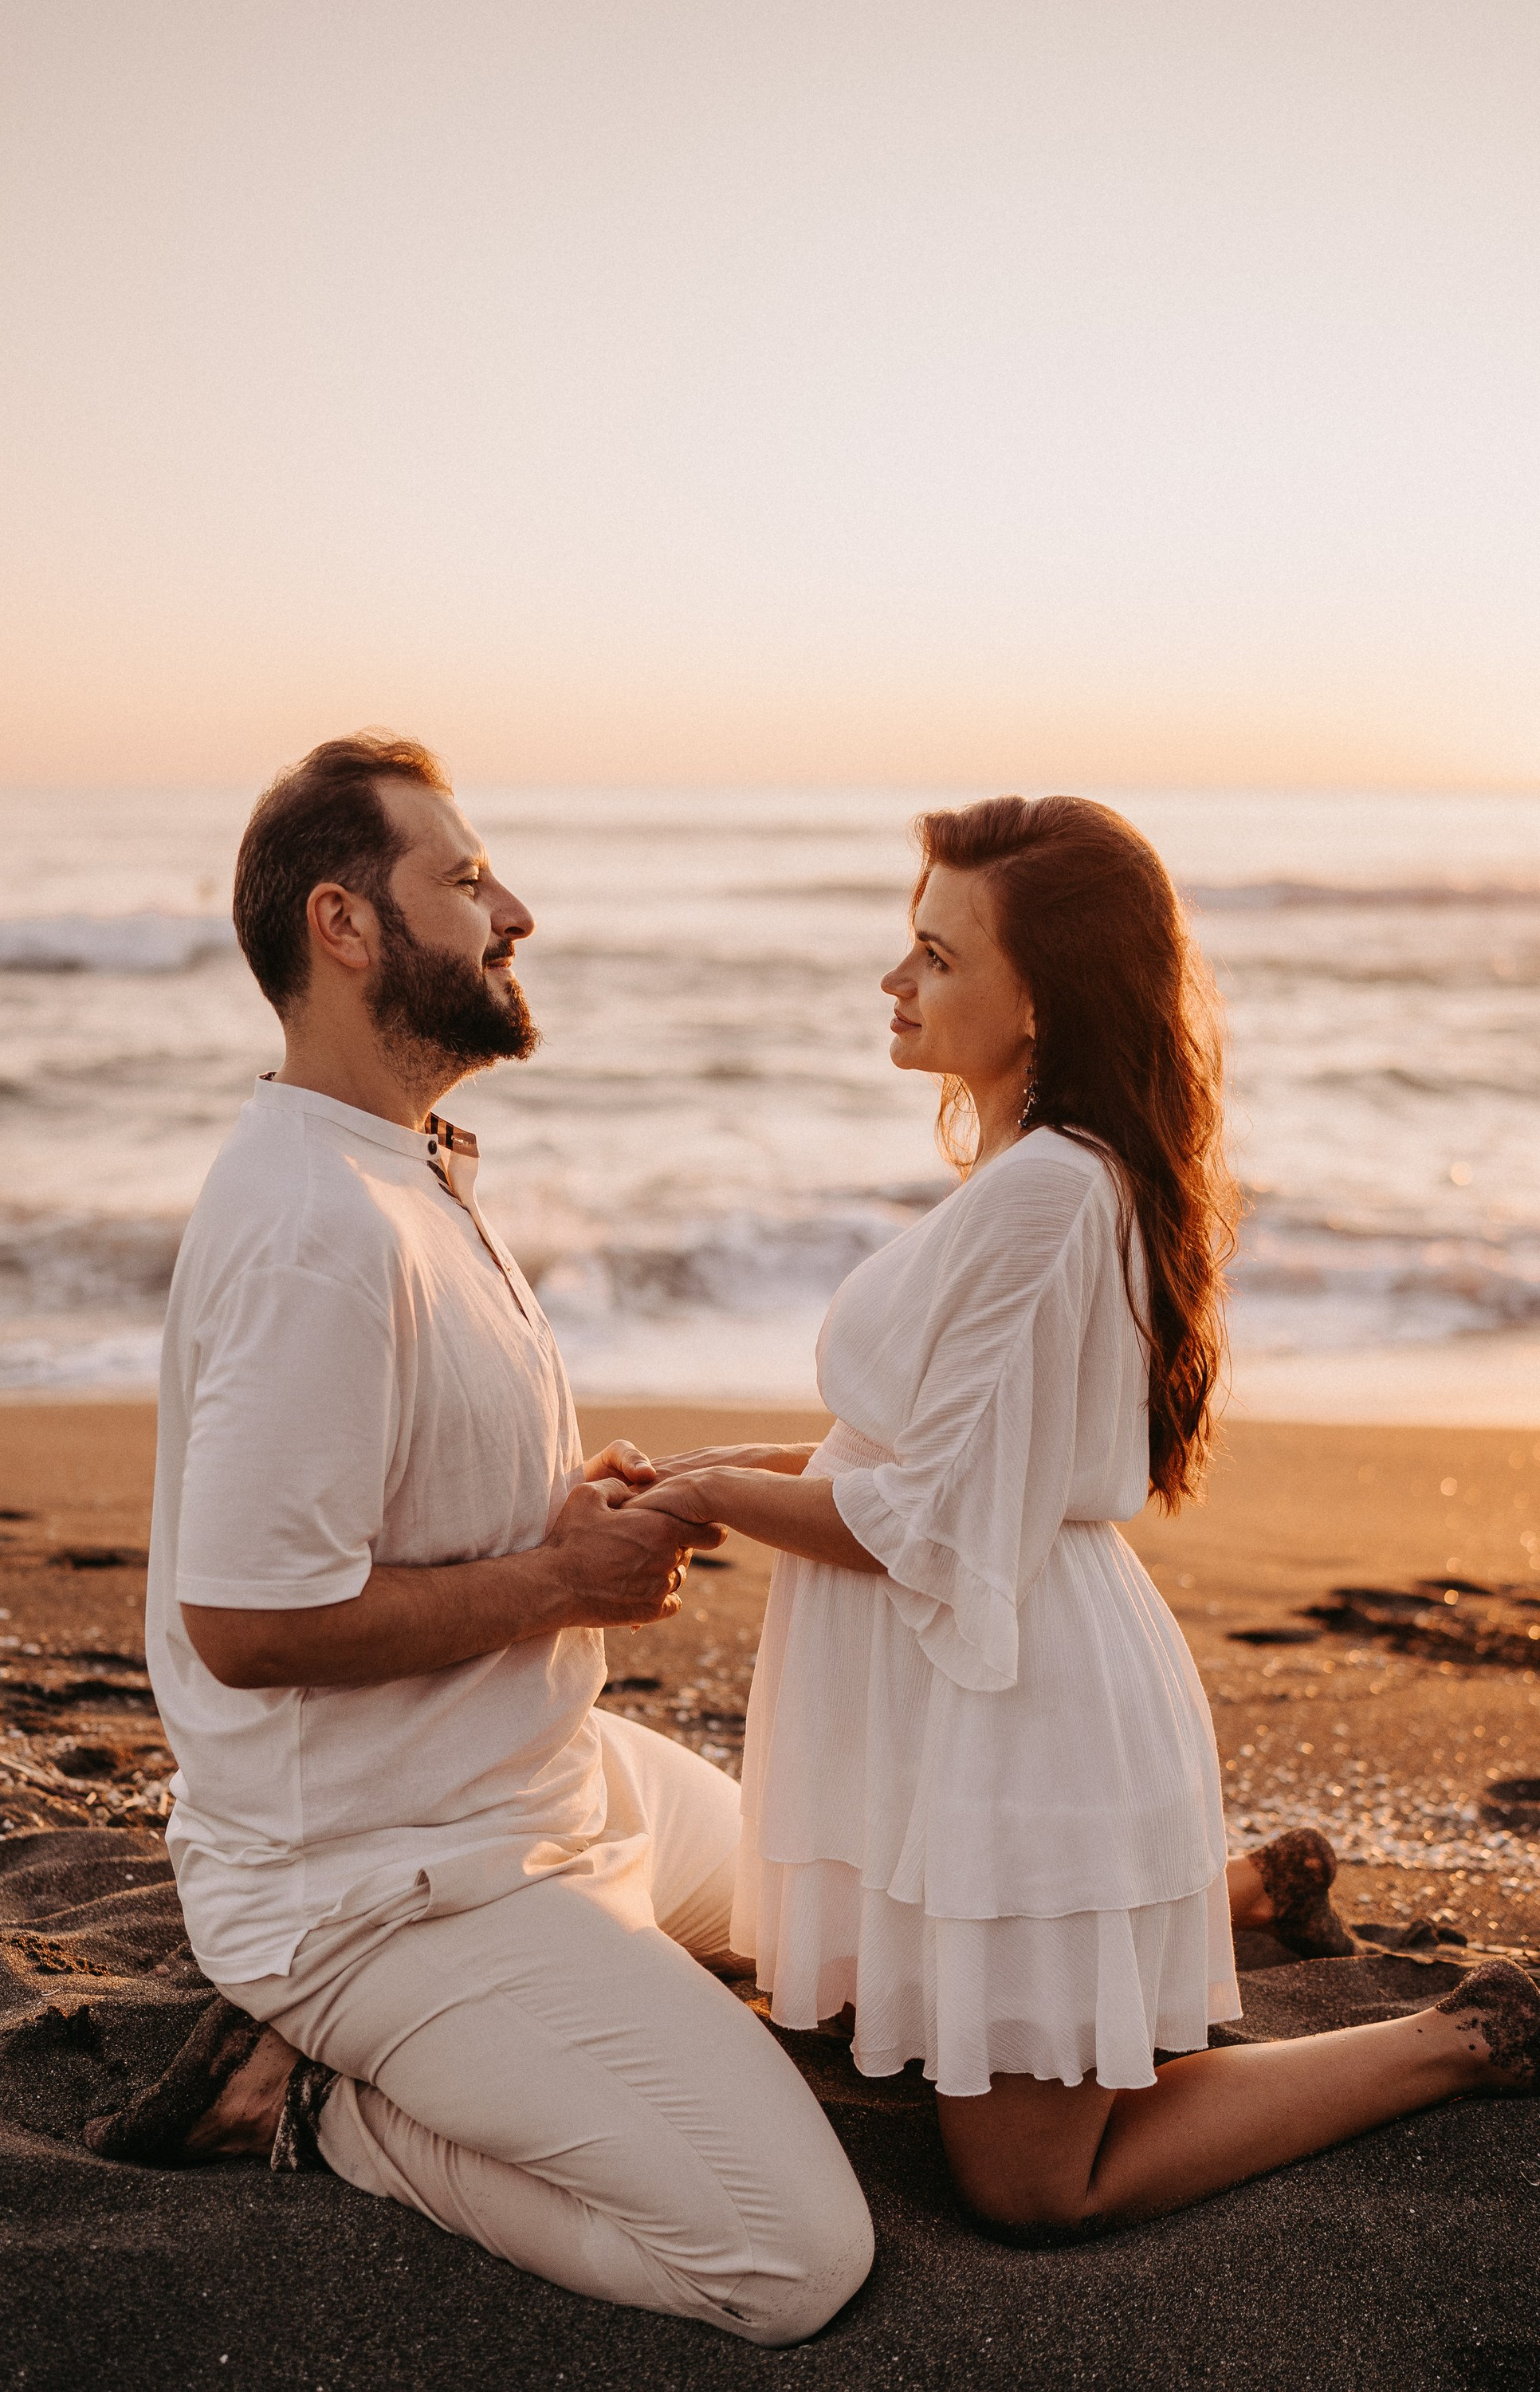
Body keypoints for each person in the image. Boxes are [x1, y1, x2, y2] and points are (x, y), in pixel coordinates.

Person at [632, 793, 1540, 2239]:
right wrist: (725, 1464)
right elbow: (929, 1453)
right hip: (970, 1695)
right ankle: (1248, 1892)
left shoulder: (1050, 1192)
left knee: (1035, 2187)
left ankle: (1465, 2036)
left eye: (934, 954)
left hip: (1021, 1714)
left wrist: (701, 1497)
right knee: (904, 2014)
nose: (894, 980)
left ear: (1042, 996)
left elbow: (918, 1522)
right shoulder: (1032, 1172)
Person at [84, 734, 874, 2346]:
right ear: (344, 926)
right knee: (789, 2262)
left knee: (866, 1947)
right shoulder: (317, 1224)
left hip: (548, 1780)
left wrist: (561, 1514)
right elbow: (245, 1622)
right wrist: (563, 1580)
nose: (514, 910)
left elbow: (402, 1497)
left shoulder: (405, 1171)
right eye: (462, 880)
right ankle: (310, 2109)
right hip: (382, 1883)